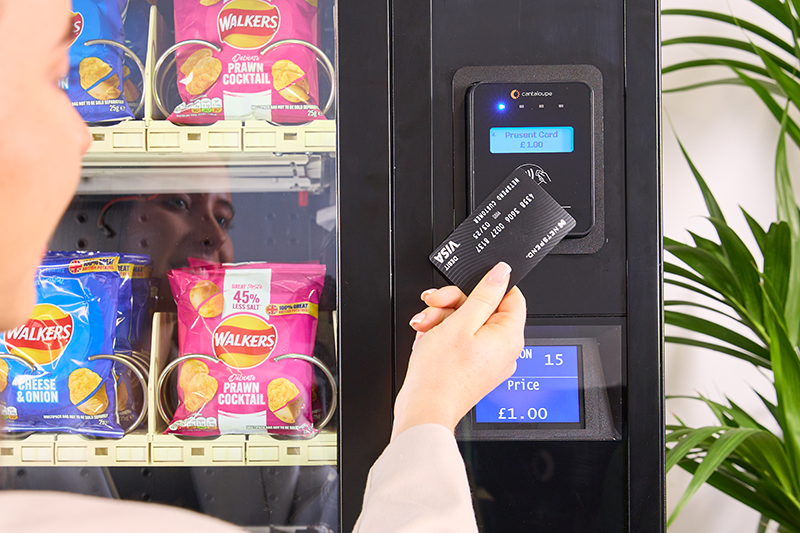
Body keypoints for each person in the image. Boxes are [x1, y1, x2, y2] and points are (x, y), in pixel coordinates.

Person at [0, 1, 526, 531]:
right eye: (52, 79)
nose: (79, 135)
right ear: (107, 224)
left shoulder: (274, 375)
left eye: (225, 216)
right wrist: (430, 411)